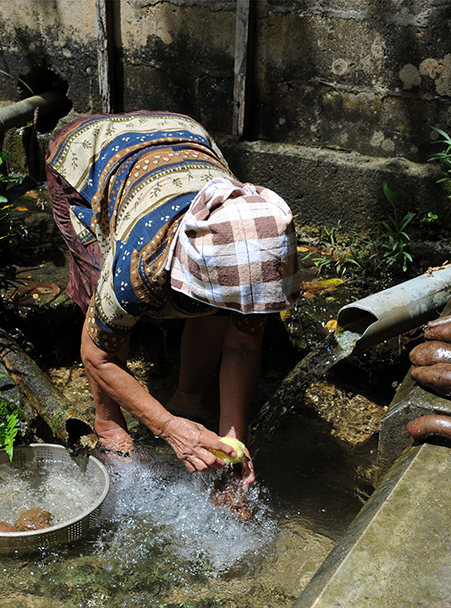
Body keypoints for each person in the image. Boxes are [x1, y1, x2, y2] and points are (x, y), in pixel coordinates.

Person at [45, 111, 299, 489]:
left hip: (183, 136)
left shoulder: (259, 253)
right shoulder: (139, 264)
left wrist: (234, 447)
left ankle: (188, 397)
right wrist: (169, 429)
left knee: (219, 304)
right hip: (87, 153)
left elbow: (242, 344)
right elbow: (97, 353)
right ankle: (109, 426)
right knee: (99, 299)